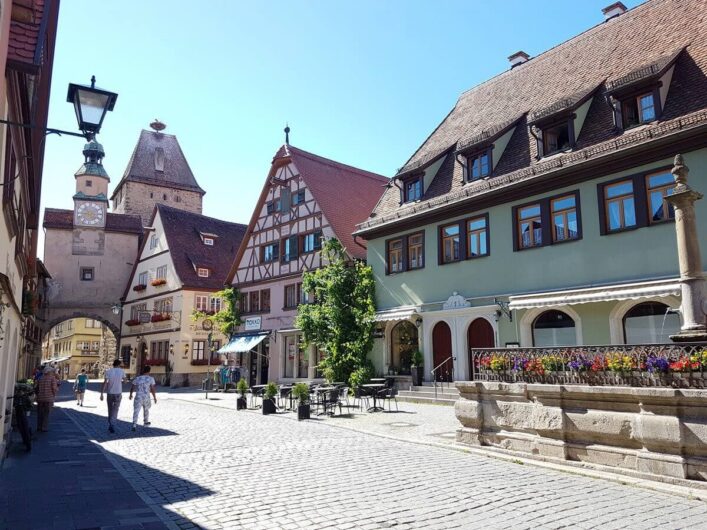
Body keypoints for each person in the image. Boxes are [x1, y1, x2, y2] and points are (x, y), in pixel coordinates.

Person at [129, 365, 157, 431]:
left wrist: (130, 394)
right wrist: (154, 397)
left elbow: (132, 387)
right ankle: (145, 422)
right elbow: (152, 389)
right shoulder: (151, 379)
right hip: (146, 397)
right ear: (149, 371)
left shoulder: (138, 378)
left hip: (138, 396)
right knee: (146, 409)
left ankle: (134, 424)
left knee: (136, 411)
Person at [100, 359, 125, 433]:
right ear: (119, 364)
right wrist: (122, 381)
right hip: (118, 392)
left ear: (113, 364)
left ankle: (111, 424)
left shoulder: (108, 371)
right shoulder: (122, 371)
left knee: (110, 409)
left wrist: (101, 393)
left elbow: (105, 383)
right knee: (116, 409)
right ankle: (112, 424)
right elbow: (126, 381)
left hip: (110, 393)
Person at [36, 366, 58, 432]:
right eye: (52, 371)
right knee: (46, 413)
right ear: (49, 372)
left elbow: (37, 388)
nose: (52, 372)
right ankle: (44, 428)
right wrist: (55, 394)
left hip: (40, 398)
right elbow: (54, 388)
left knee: (40, 413)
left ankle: (39, 427)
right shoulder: (52, 378)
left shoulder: (40, 378)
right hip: (48, 399)